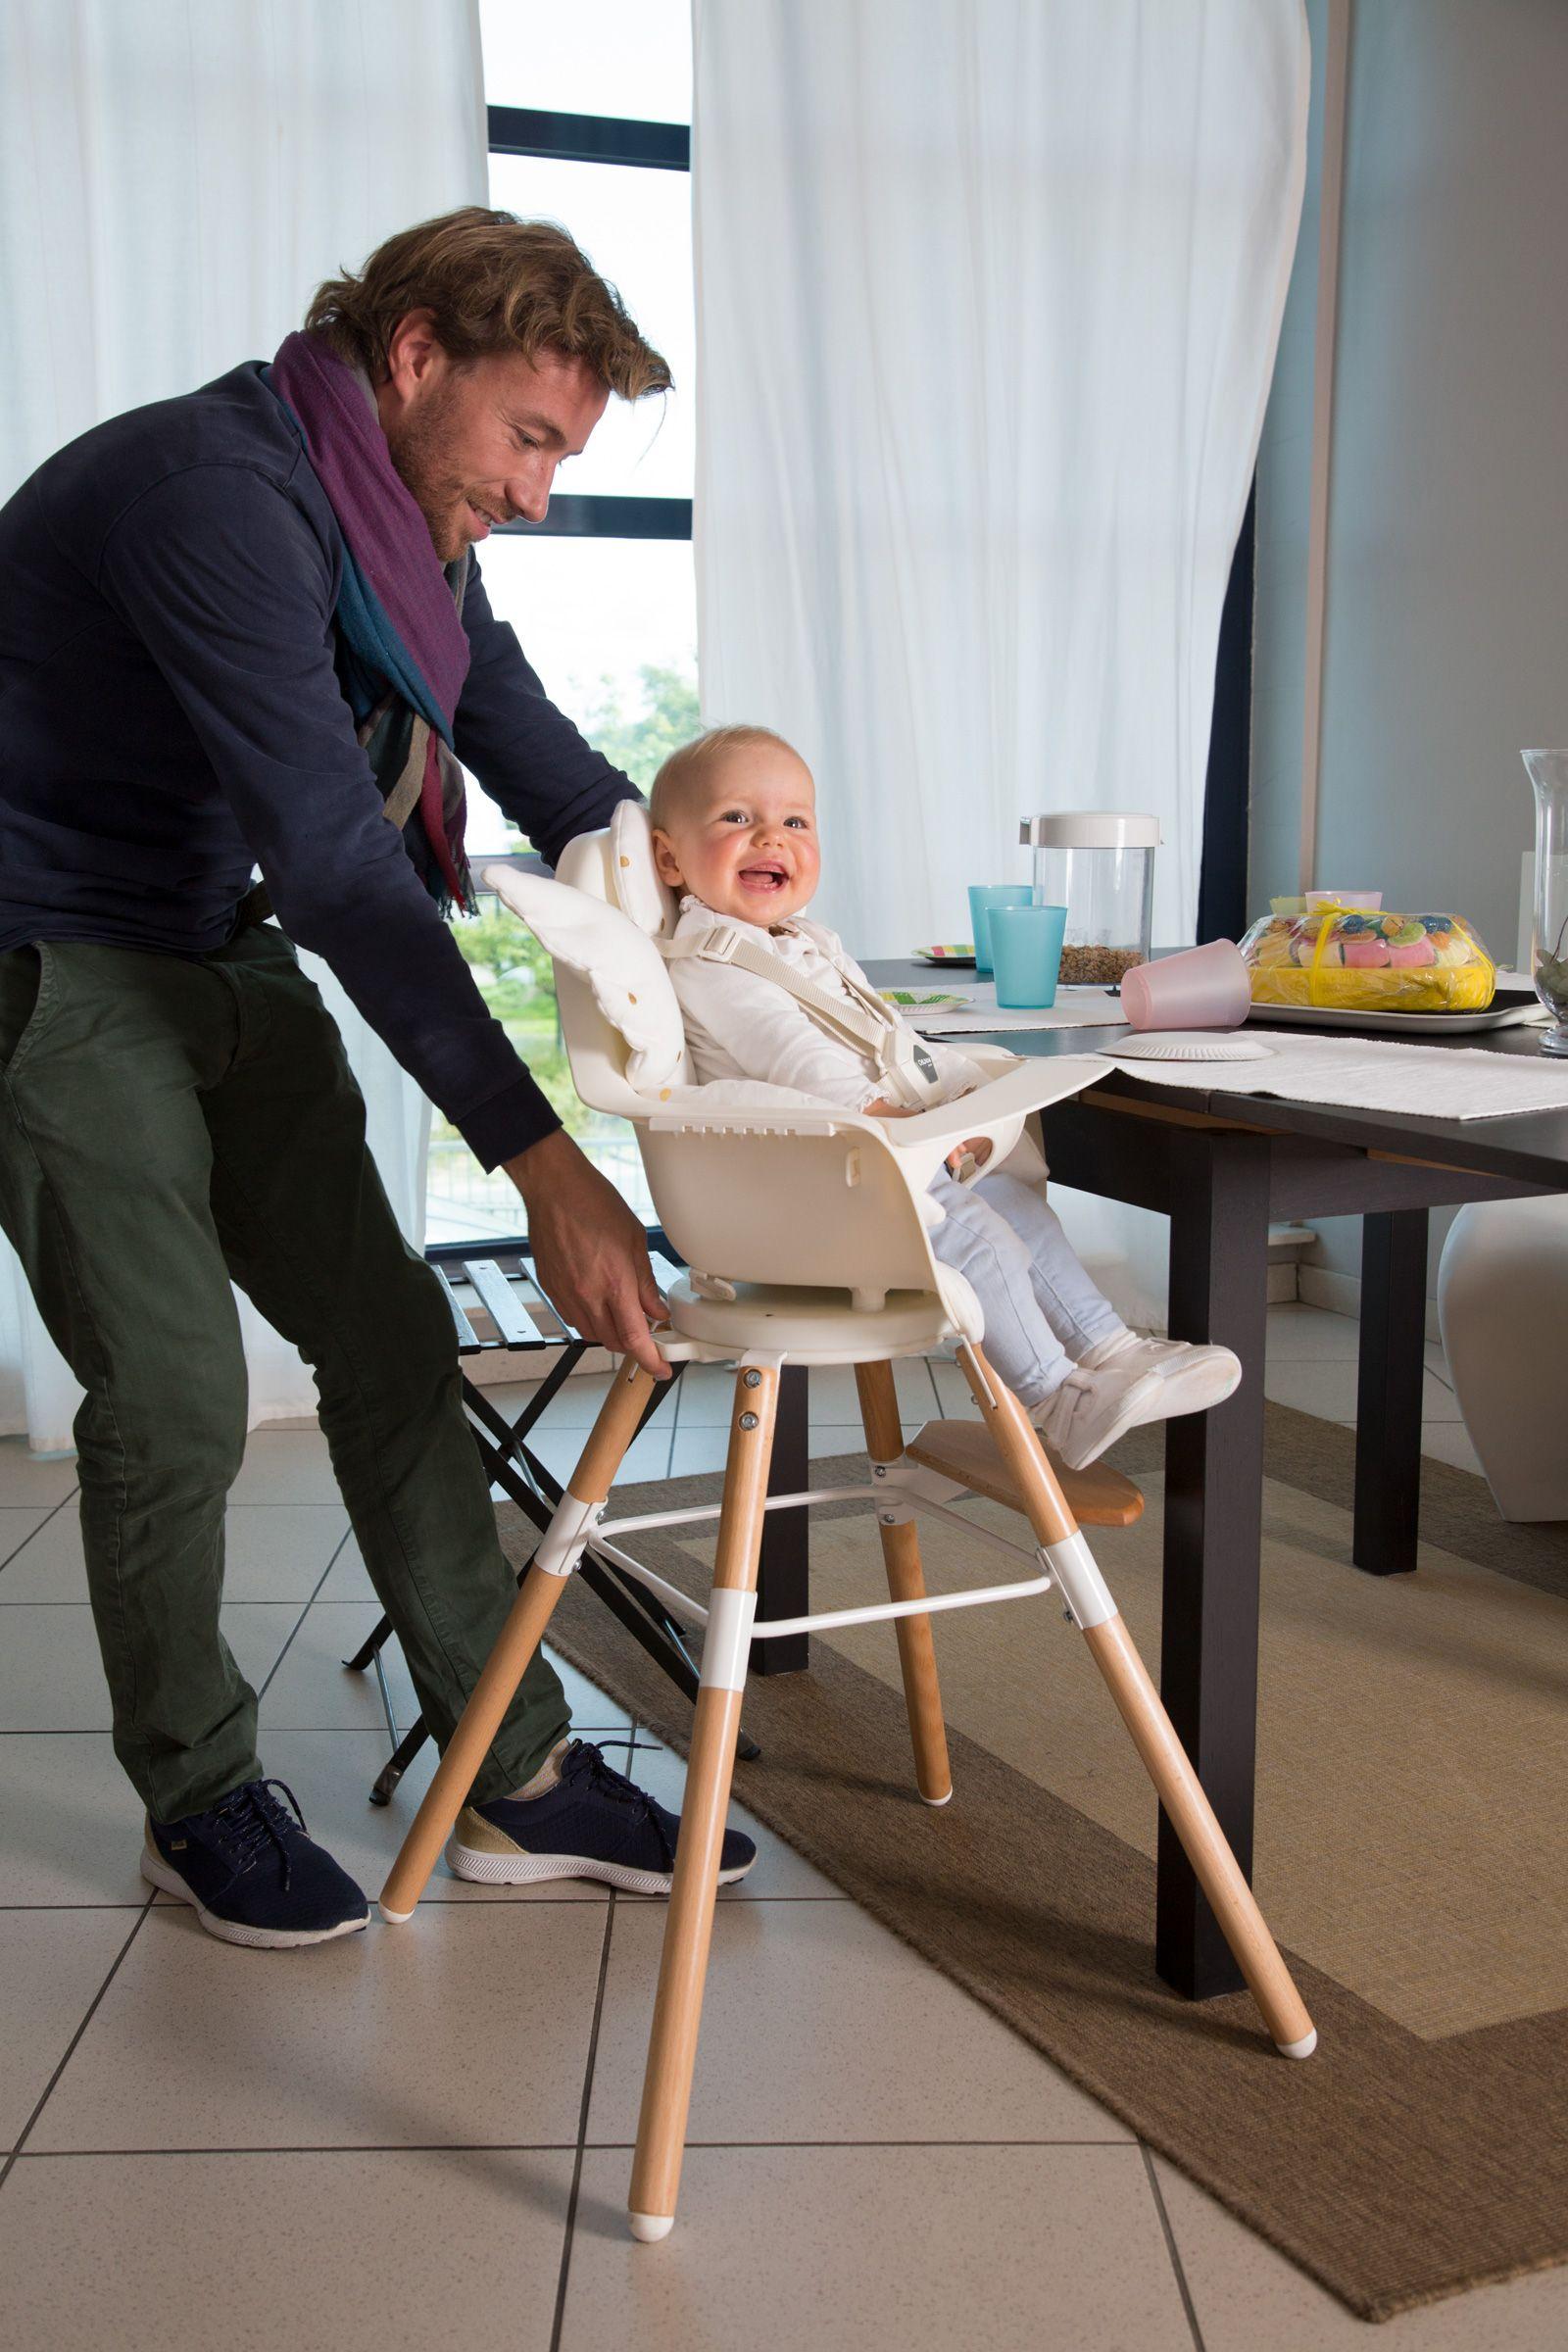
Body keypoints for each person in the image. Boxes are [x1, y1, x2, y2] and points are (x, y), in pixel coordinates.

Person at [0, 208, 753, 1949]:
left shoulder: (397, 525)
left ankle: (517, 1776)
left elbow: (548, 764)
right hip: (51, 957)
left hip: (207, 940)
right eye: (533, 438)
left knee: (393, 1338)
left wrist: (727, 885)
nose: (544, 491)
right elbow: (344, 869)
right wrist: (546, 1165)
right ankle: (197, 1796)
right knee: (182, 1393)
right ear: (415, 355)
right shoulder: (219, 497)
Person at [650, 725, 1242, 1468]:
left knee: (1018, 1207)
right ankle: (1059, 1399)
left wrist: (939, 1094)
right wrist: (908, 1123)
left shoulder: (798, 943)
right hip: (814, 1185)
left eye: (795, 821)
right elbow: (798, 1060)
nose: (772, 836)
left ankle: (1112, 1349)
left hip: (863, 1157)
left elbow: (873, 1033)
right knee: (979, 1234)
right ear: (670, 856)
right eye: (737, 817)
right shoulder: (715, 961)